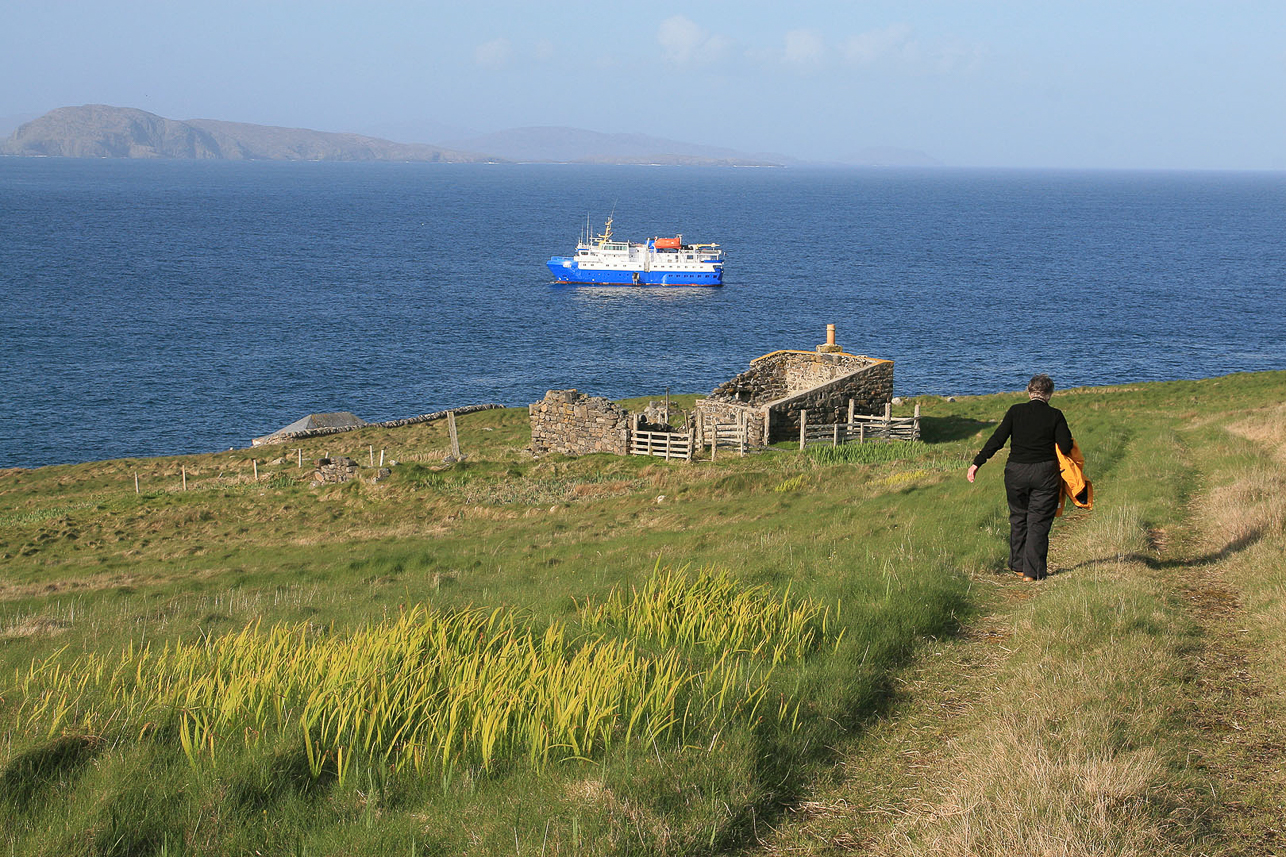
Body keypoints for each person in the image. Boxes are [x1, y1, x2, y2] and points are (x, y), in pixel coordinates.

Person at [966, 374, 1073, 582]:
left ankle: (1017, 566)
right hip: (1044, 473)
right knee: (1038, 521)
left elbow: (997, 439)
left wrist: (977, 463)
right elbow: (1066, 447)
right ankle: (1032, 573)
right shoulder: (1056, 416)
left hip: (1016, 472)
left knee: (1018, 517)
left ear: (1029, 391)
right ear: (1050, 394)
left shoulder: (1016, 411)